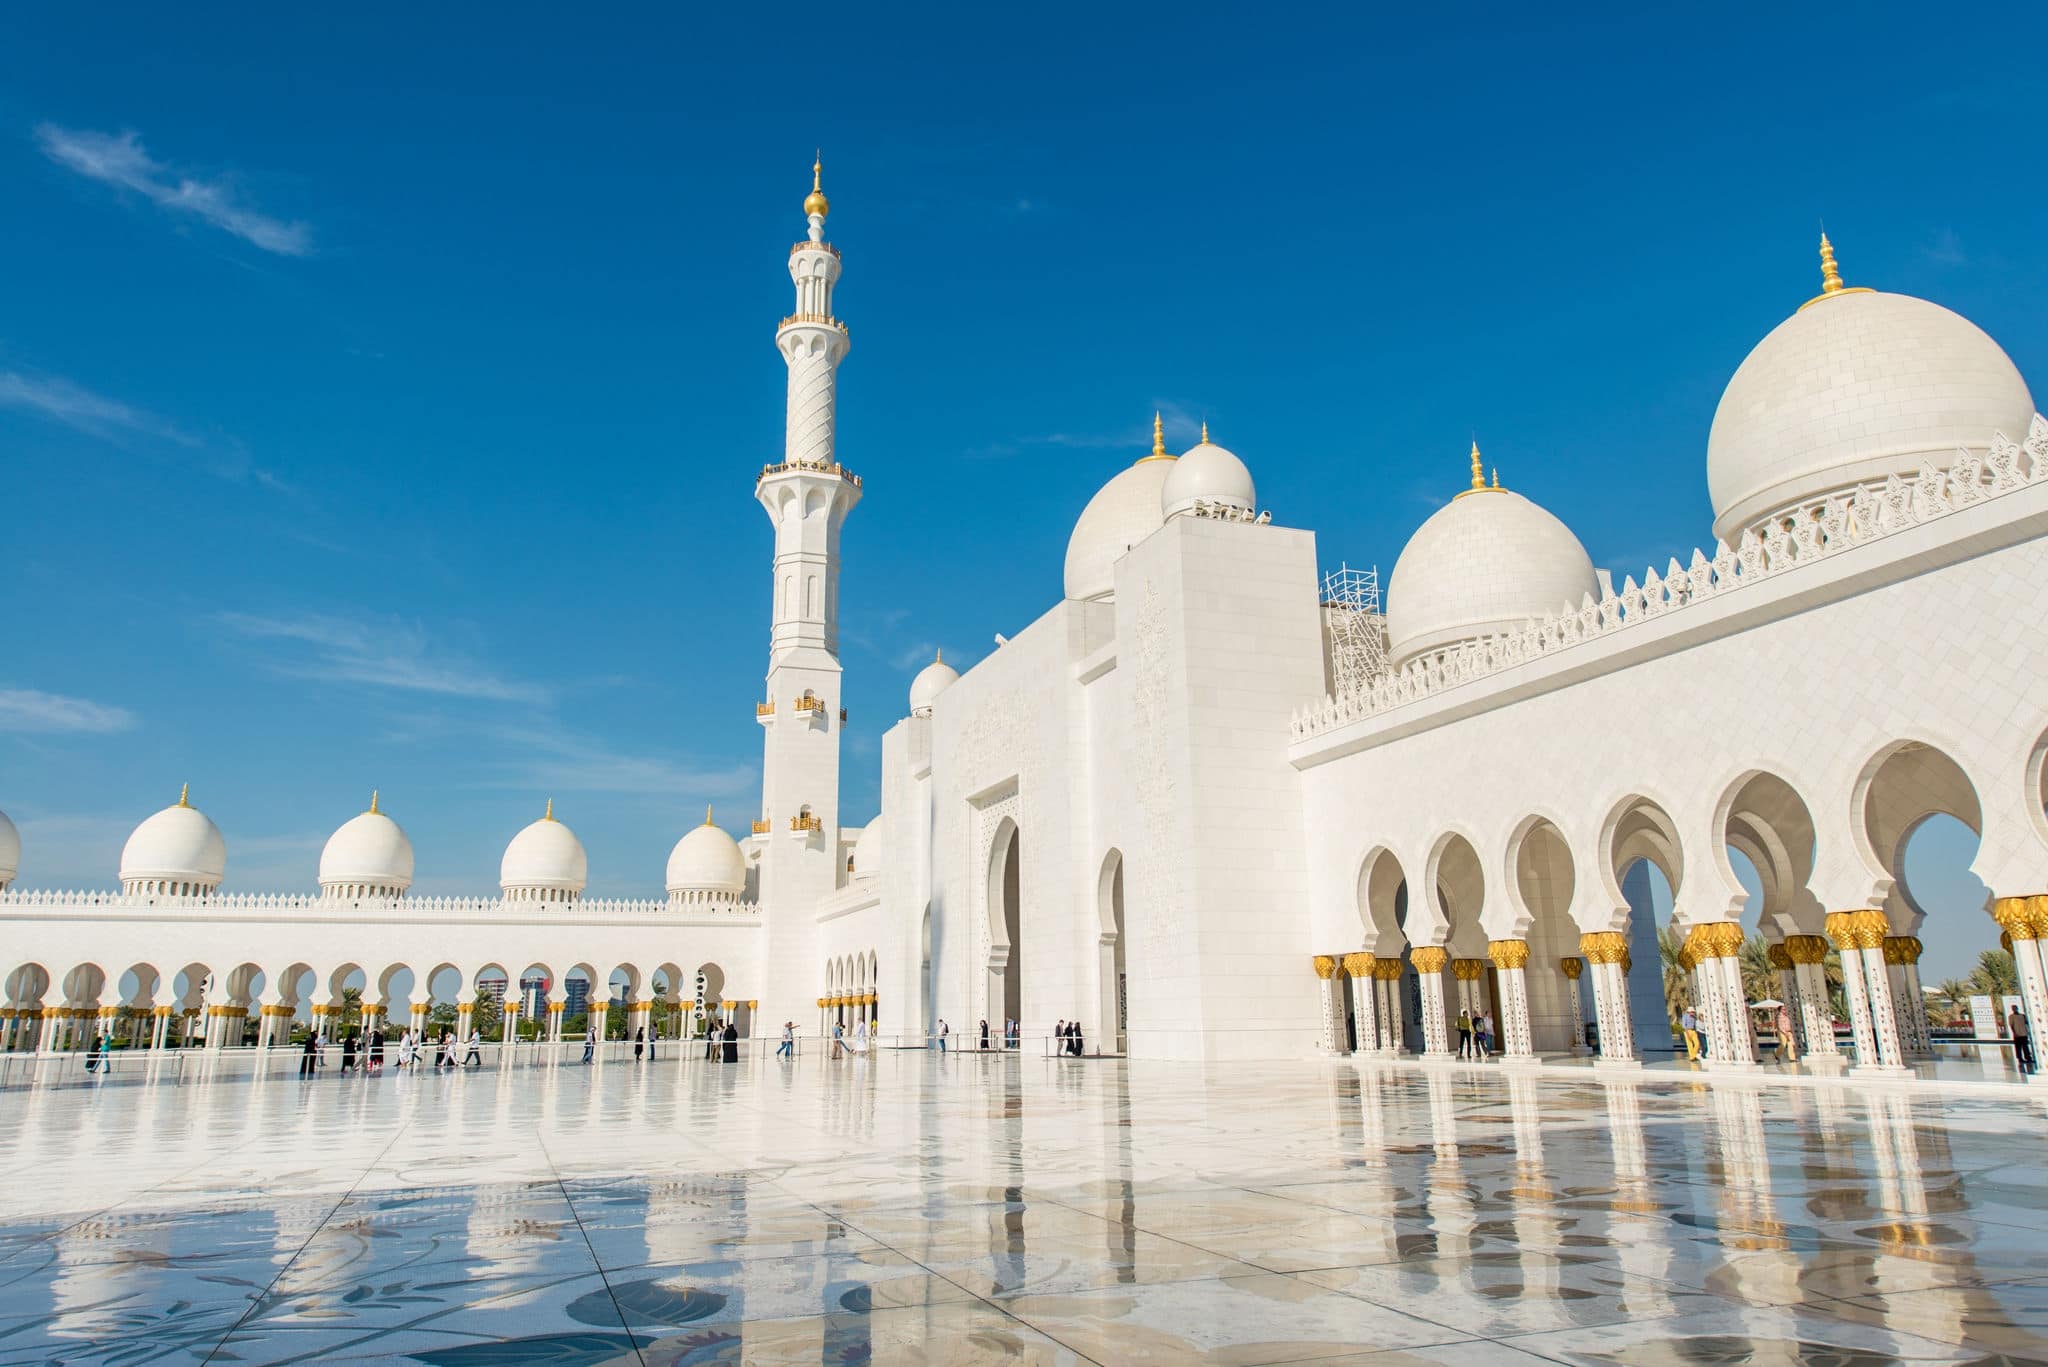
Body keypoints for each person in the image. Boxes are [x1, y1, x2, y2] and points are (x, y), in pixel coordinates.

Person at [2010, 1004, 2036, 1075]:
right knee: (2018, 1047)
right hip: (2017, 1034)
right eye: (2013, 1008)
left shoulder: (2022, 1016)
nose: (2014, 1009)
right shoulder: (2011, 1017)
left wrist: (2027, 1031)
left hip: (2024, 1033)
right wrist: (2014, 1032)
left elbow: (2026, 1023)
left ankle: (2028, 1057)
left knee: (2025, 1046)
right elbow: (2011, 1025)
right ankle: (2020, 1058)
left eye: (2015, 1008)